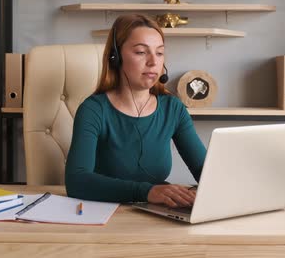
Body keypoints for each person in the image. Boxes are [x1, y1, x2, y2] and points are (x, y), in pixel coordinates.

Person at [65, 14, 206, 208]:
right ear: (115, 57)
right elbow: (76, 181)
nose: (153, 62)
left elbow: (205, 171)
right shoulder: (94, 110)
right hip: (101, 213)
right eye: (141, 52)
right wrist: (147, 192)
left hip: (156, 214)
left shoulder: (173, 108)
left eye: (159, 53)